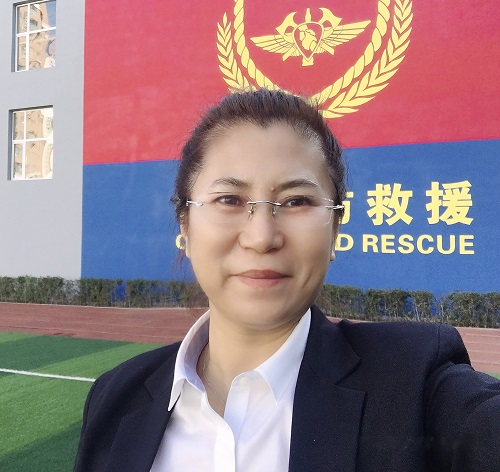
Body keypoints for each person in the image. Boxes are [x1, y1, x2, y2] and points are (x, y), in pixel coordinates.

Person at [74, 89, 500, 472]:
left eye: (296, 201)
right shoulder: (115, 398)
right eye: (229, 199)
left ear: (334, 229)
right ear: (185, 223)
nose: (261, 237)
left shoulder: (414, 383)